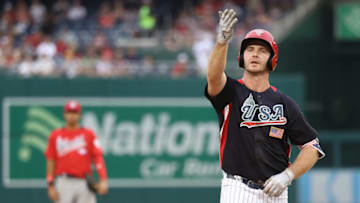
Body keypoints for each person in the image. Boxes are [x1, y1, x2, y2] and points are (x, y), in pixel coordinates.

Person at [205, 9, 325, 203]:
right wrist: (221, 43)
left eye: (262, 50)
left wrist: (288, 175)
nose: (255, 54)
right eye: (250, 49)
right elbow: (213, 78)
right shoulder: (231, 92)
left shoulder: (284, 104)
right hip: (238, 189)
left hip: (275, 190)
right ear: (241, 56)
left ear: (272, 59)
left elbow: (312, 147)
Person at [45, 100, 108, 203]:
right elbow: (51, 160)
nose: (72, 116)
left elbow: (98, 157)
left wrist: (103, 179)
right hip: (64, 182)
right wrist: (50, 185)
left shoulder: (89, 134)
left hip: (84, 182)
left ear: (79, 115)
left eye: (74, 112)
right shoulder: (55, 135)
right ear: (64, 114)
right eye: (69, 112)